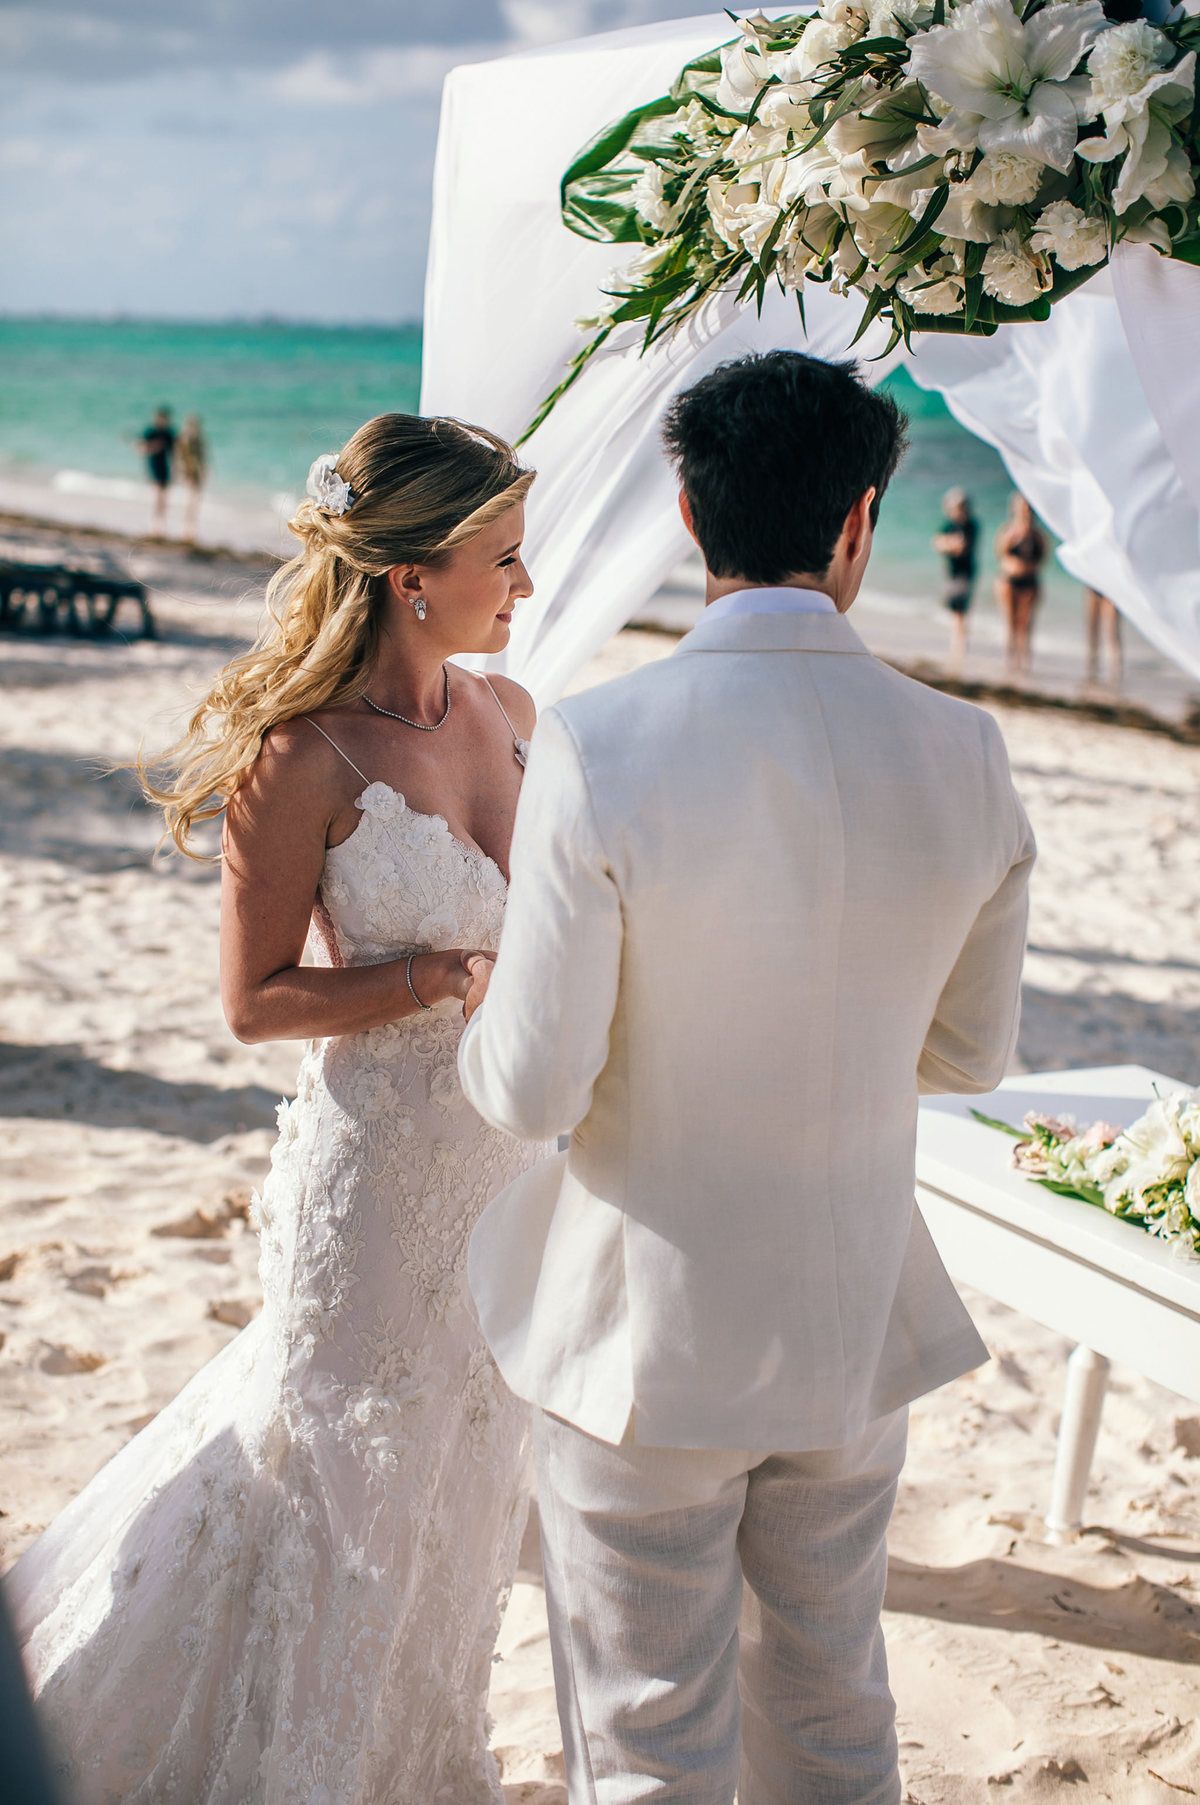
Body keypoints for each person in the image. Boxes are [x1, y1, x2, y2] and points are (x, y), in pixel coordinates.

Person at [458, 351, 1035, 1805]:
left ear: (686, 507)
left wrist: (478, 1000)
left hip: (647, 1339)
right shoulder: (967, 749)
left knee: (652, 1737)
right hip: (850, 1327)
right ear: (859, 522)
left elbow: (528, 1091)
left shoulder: (600, 738)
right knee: (835, 1709)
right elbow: (971, 1053)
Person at [8, 413, 549, 1803]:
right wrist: (430, 973)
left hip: (504, 1175)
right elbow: (253, 1002)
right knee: (344, 1494)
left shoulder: (514, 716)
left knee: (459, 1480)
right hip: (373, 1186)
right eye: (505, 557)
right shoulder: (300, 760)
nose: (527, 587)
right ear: (415, 573)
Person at [994, 492, 1046, 678]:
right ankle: (1009, 660)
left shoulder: (1037, 535)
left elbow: (1042, 559)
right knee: (1010, 622)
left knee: (1026, 623)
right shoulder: (1008, 531)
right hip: (1009, 581)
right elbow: (1000, 554)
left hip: (1029, 581)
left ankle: (1023, 661)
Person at [932, 485, 977, 673]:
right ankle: (956, 644)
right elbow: (936, 542)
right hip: (951, 572)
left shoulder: (970, 525)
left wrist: (947, 544)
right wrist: (949, 544)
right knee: (953, 609)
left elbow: (960, 547)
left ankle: (959, 646)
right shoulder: (950, 524)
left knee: (960, 609)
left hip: (964, 572)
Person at [141, 406, 175, 531]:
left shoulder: (169, 433)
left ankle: (160, 523)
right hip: (153, 467)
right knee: (157, 495)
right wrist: (154, 447)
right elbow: (142, 449)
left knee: (164, 497)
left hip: (166, 469)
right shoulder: (151, 432)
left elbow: (174, 454)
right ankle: (154, 523)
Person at [177, 413, 209, 540]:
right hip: (190, 474)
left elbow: (203, 459)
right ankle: (186, 529)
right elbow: (181, 459)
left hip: (197, 474)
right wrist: (185, 473)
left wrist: (203, 472)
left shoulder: (199, 440)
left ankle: (191, 529)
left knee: (195, 501)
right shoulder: (185, 440)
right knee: (190, 501)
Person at [1084, 586, 1123, 688]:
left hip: (1109, 587)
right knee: (1094, 631)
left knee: (1111, 633)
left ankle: (1114, 675)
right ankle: (1092, 672)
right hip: (1096, 585)